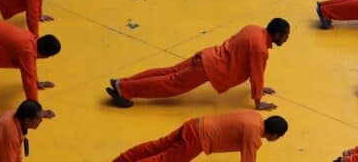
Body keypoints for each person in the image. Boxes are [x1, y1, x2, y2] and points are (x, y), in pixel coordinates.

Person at [105, 19, 290, 108]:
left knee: (168, 72)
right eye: (286, 35)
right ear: (277, 34)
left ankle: (123, 82)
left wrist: (260, 87)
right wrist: (258, 101)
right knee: (171, 84)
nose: (286, 38)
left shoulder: (254, 29)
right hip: (211, 69)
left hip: (207, 55)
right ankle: (125, 90)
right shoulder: (260, 49)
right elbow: (256, 73)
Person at [113, 111, 287, 162]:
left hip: (194, 124)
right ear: (274, 135)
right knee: (163, 160)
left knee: (158, 146)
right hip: (197, 140)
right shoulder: (254, 135)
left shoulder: (255, 117)